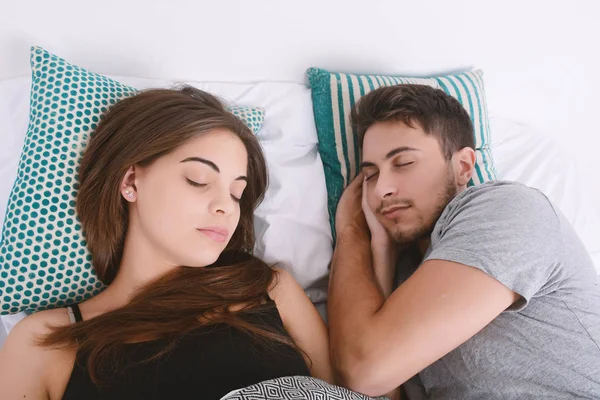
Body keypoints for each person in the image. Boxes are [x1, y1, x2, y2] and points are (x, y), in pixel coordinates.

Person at [0, 87, 332, 399]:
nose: (227, 207)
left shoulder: (270, 290)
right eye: (198, 180)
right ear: (131, 180)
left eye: (237, 193)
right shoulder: (46, 342)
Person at [328, 84, 600, 399]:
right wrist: (381, 257)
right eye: (371, 175)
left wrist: (351, 233)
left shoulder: (506, 208)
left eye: (403, 163)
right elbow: (367, 386)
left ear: (463, 166)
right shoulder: (407, 278)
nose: (381, 189)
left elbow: (366, 370)